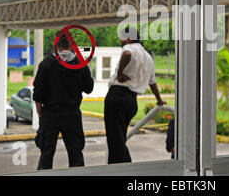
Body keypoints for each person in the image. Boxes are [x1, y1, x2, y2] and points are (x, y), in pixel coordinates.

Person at [104, 26, 167, 164]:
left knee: (115, 140)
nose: (120, 41)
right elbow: (152, 82)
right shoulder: (148, 57)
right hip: (131, 101)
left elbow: (127, 54)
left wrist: (120, 73)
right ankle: (121, 167)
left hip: (117, 97)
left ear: (128, 38)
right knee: (119, 138)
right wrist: (159, 100)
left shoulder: (130, 48)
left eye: (121, 38)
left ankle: (122, 168)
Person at [33, 32, 94, 170]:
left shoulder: (46, 64)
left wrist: (40, 114)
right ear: (71, 45)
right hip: (72, 114)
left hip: (50, 114)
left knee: (46, 153)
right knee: (76, 154)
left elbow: (37, 95)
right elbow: (89, 88)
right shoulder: (79, 63)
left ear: (56, 45)